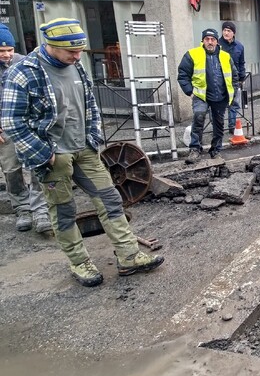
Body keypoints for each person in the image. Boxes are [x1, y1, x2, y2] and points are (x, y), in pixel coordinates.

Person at [0, 18, 164, 287]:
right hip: (52, 155)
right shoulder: (24, 72)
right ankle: (79, 262)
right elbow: (12, 122)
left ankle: (129, 256)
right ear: (51, 45)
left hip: (84, 149)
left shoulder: (76, 67)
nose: (77, 56)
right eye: (71, 52)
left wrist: (94, 138)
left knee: (110, 198)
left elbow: (90, 105)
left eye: (79, 51)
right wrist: (44, 154)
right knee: (63, 210)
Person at [0, 24, 51, 234]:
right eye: (1, 51)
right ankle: (22, 208)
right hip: (5, 127)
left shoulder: (25, 62)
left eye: (9, 50)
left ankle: (41, 210)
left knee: (37, 164)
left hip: (29, 123)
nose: (6, 55)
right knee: (11, 169)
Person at [177, 28, 235, 163]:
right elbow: (183, 75)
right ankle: (195, 150)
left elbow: (234, 75)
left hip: (220, 96)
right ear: (202, 41)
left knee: (219, 124)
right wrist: (189, 91)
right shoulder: (192, 54)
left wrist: (233, 90)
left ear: (216, 41)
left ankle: (216, 151)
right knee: (198, 118)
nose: (210, 42)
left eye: (213, 39)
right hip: (200, 95)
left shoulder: (225, 56)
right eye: (207, 39)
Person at [218, 21, 247, 134]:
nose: (226, 32)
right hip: (220, 80)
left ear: (233, 33)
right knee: (218, 105)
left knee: (233, 104)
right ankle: (218, 127)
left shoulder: (239, 46)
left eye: (229, 31)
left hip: (234, 80)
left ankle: (231, 127)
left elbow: (241, 63)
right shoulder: (217, 45)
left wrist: (242, 77)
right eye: (224, 30)